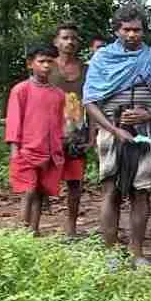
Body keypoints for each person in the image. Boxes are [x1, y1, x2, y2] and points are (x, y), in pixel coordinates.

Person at [83, 4, 151, 263]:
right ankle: (111, 254)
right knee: (111, 191)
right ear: (117, 30)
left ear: (144, 30)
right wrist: (114, 129)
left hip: (146, 132)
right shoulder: (102, 59)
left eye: (137, 30)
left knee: (142, 191)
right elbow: (90, 101)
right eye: (126, 30)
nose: (131, 35)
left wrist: (149, 114)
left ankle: (137, 252)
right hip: (111, 132)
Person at [6, 46, 66, 236]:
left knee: (41, 192)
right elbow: (14, 121)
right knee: (28, 191)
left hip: (49, 151)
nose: (46, 66)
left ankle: (35, 230)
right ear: (30, 64)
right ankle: (22, 233)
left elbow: (59, 123)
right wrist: (15, 150)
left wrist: (58, 148)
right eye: (41, 61)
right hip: (26, 151)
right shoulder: (20, 90)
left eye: (50, 61)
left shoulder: (58, 94)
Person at [50, 23, 91, 237]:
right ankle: (33, 228)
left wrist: (92, 134)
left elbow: (93, 103)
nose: (69, 42)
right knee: (43, 180)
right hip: (49, 133)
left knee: (75, 182)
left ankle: (71, 228)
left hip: (77, 134)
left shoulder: (86, 70)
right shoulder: (48, 67)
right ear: (56, 42)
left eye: (74, 38)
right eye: (65, 38)